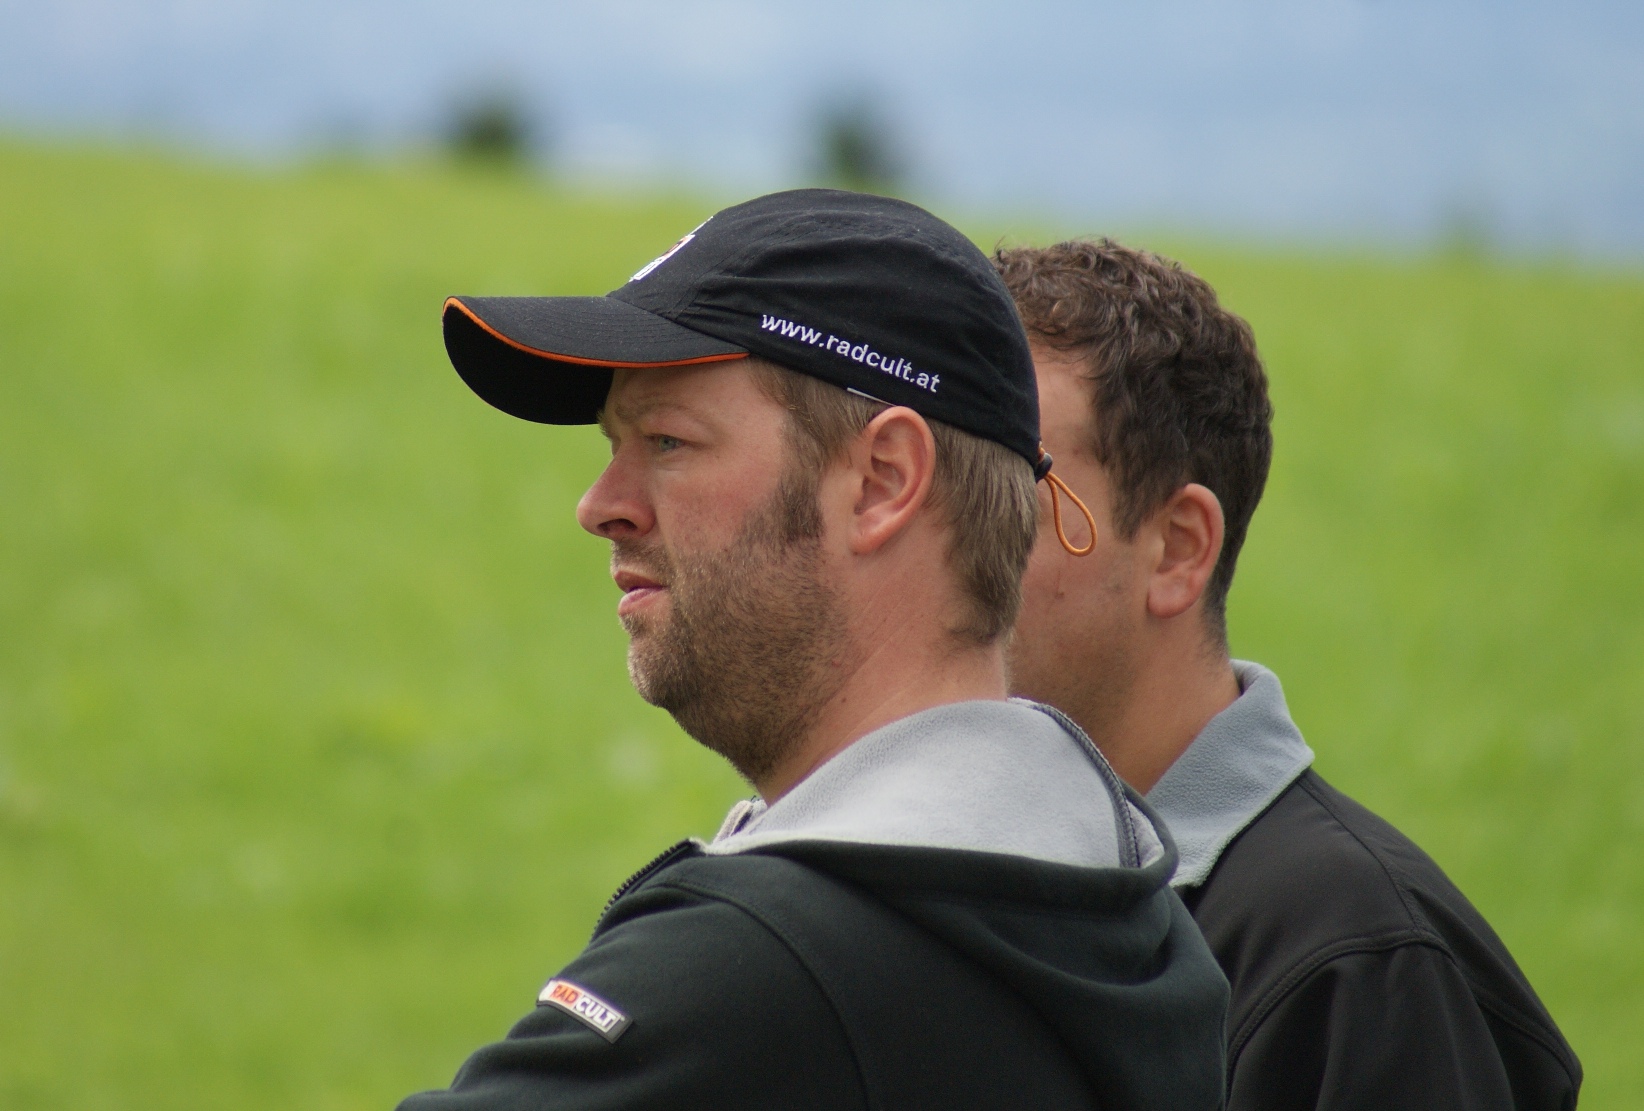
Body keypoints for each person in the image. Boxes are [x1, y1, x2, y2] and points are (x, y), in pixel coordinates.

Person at [398, 192, 1229, 1110]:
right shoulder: (1139, 926)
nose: (601, 505)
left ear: (881, 481)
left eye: (668, 439)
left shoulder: (750, 980)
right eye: (615, 444)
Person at [996, 239, 1583, 1110]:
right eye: (945, 491)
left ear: (1177, 549)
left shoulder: (1361, 968)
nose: (949, 547)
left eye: (1011, 492)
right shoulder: (976, 886)